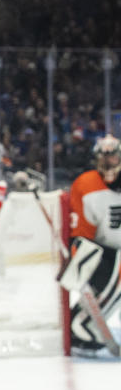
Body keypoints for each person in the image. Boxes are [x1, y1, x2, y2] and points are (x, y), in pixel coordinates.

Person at [62, 134, 121, 356]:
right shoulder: (86, 184)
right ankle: (82, 326)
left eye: (113, 157)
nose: (108, 163)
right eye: (104, 157)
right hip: (105, 256)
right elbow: (81, 236)